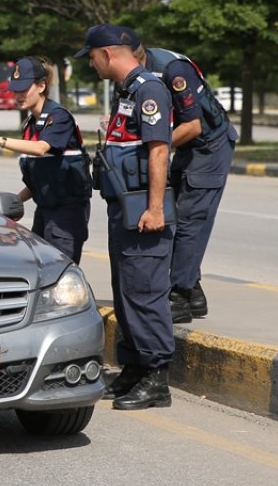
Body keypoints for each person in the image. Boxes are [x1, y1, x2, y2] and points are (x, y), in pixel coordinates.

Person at [75, 24, 175, 410]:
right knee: (127, 292)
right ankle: (134, 368)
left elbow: (159, 152)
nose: (91, 66)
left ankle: (156, 378)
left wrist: (154, 208)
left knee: (146, 294)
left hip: (142, 212)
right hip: (124, 210)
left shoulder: (149, 89)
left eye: (92, 58)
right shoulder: (128, 92)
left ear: (109, 53)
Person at [135, 43, 238, 323]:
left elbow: (193, 126)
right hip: (189, 147)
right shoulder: (138, 73)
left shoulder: (172, 71)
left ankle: (178, 296)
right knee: (177, 218)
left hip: (209, 146)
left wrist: (155, 147)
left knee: (190, 220)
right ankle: (192, 290)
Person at [0, 56, 93, 265]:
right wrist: (11, 202)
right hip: (45, 210)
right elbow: (40, 178)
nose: (18, 95)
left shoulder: (58, 117)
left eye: (24, 88)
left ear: (41, 86)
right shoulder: (30, 124)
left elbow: (41, 149)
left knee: (60, 272)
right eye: (15, 90)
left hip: (66, 213)